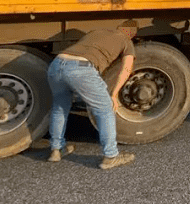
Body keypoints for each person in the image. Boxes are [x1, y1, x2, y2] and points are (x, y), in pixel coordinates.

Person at [46, 20, 139, 169]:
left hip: (57, 64)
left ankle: (56, 150)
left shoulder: (96, 32)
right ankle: (111, 156)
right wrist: (114, 95)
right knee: (105, 109)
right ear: (132, 33)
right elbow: (126, 70)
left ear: (118, 27)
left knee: (60, 106)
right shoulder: (126, 41)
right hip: (81, 68)